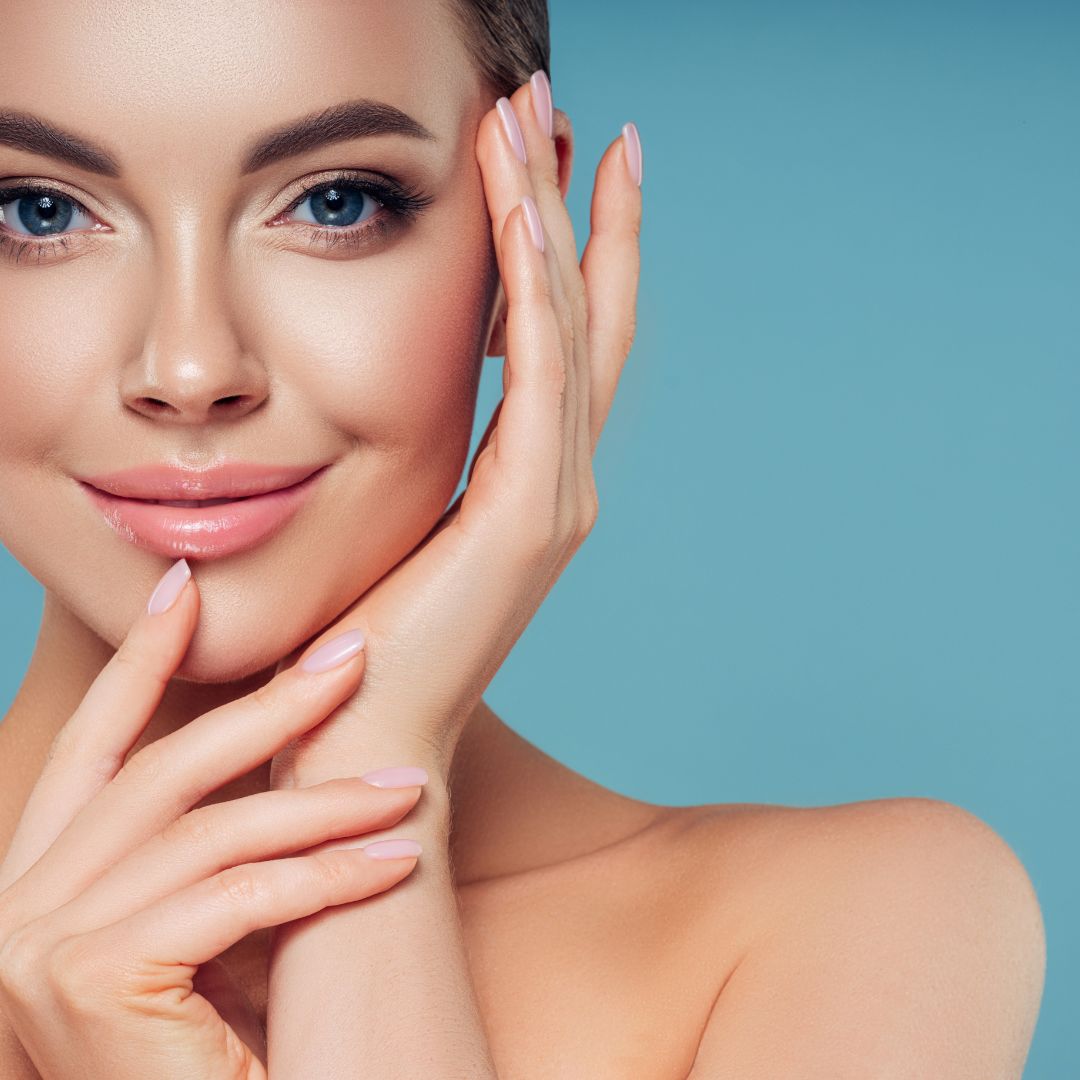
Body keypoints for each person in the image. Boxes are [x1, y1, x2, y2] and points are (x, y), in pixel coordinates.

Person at [0, 1, 1045, 1076]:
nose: (189, 369)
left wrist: (362, 774)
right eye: (39, 212)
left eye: (334, 201)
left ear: (518, 233)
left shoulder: (846, 929)